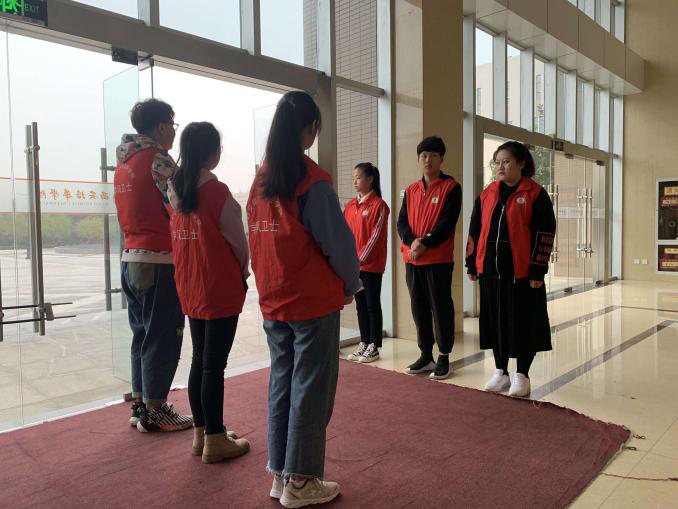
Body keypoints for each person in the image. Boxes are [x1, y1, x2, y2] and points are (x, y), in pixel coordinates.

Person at [247, 91, 361, 508]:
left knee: (282, 383)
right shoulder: (312, 182)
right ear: (310, 128)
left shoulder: (260, 182)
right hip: (311, 301)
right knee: (311, 389)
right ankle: (302, 480)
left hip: (274, 298)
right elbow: (339, 245)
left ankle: (281, 474)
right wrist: (350, 285)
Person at [167, 122, 250, 462]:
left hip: (190, 286)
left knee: (200, 359)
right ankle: (216, 439)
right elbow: (239, 244)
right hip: (218, 287)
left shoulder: (175, 192)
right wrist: (243, 273)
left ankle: (202, 435)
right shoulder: (217, 193)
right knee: (214, 366)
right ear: (212, 153)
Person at [114, 99, 192, 432]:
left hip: (130, 258)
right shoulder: (158, 160)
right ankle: (157, 410)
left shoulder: (124, 163)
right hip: (159, 260)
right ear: (161, 127)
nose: (173, 132)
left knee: (142, 335)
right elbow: (180, 205)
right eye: (172, 125)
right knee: (163, 334)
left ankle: (141, 406)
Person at [465, 141, 556, 398]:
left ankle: (522, 374)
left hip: (522, 275)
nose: (500, 167)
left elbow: (544, 234)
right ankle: (501, 371)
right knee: (496, 323)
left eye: (506, 161)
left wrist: (538, 270)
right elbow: (475, 231)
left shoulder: (535, 194)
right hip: (490, 273)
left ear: (521, 163)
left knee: (523, 324)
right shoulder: (487, 194)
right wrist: (471, 262)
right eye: (497, 162)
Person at [397, 136, 462, 380]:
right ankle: (426, 355)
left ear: (441, 158)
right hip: (412, 259)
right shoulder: (411, 190)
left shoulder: (451, 187)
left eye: (433, 155)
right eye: (424, 155)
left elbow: (447, 223)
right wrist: (412, 241)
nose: (428, 160)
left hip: (438, 260)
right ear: (418, 159)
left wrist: (424, 242)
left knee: (440, 307)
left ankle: (444, 356)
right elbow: (401, 222)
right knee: (419, 308)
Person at [344, 163, 389, 363]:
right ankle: (364, 341)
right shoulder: (350, 206)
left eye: (359, 177)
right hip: (355, 266)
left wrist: (358, 260)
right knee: (360, 306)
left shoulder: (379, 206)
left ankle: (374, 346)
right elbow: (344, 235)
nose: (355, 181)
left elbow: (375, 238)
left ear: (370, 179)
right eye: (353, 178)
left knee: (372, 305)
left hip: (371, 266)